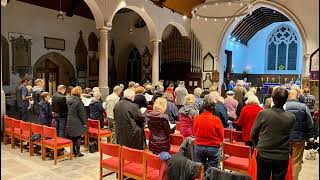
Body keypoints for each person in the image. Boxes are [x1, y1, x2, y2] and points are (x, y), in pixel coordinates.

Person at [251, 87, 295, 180]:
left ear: (273, 98)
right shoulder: (291, 117)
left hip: (264, 154)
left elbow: (253, 134)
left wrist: (258, 146)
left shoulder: (263, 113)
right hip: (282, 156)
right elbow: (290, 135)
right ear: (286, 100)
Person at [285, 89, 314, 180]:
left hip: (285, 139)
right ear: (297, 96)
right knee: (296, 162)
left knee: (285, 161)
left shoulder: (284, 106)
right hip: (299, 139)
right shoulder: (304, 107)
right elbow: (310, 123)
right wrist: (310, 136)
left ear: (288, 96)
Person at [193, 93, 224, 169]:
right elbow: (221, 136)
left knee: (199, 169)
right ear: (213, 107)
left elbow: (194, 132)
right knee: (213, 169)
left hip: (199, 146)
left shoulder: (197, 118)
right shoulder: (216, 120)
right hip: (213, 147)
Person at [66, 86, 87, 157]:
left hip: (69, 119)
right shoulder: (78, 102)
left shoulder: (68, 99)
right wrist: (84, 123)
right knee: (78, 136)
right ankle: (77, 152)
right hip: (77, 120)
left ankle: (73, 151)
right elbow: (82, 114)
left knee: (72, 136)